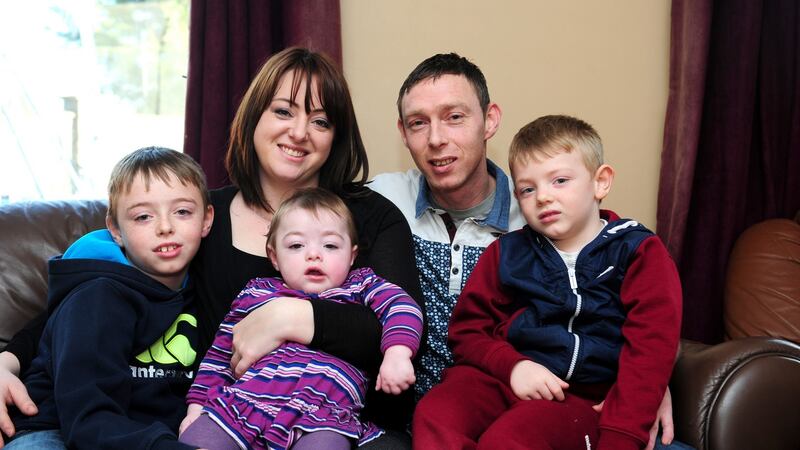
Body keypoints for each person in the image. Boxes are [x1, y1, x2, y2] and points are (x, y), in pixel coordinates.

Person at [0, 47, 423, 449]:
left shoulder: (370, 217)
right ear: (254, 117)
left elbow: (399, 328)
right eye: (283, 111)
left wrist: (291, 316)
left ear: (336, 136)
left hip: (340, 419)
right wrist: (8, 360)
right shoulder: (195, 216)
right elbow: (96, 293)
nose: (298, 132)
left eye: (321, 121)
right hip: (231, 417)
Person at [370, 53, 685, 450]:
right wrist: (514, 366)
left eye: (455, 117)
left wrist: (643, 391)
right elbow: (468, 328)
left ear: (490, 120)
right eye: (419, 122)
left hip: (573, 398)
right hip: (483, 382)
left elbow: (652, 336)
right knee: (436, 415)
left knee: (511, 438)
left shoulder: (624, 247)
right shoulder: (381, 204)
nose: (436, 139)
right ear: (403, 131)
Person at [179, 188, 423, 450]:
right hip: (243, 405)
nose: (314, 254)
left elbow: (403, 306)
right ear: (274, 257)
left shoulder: (362, 286)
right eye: (296, 245)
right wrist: (197, 407)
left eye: (330, 245)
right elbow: (219, 357)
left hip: (324, 417)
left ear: (352, 256)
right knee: (196, 440)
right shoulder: (256, 293)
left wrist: (397, 353)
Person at [3, 147, 214, 449]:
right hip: (55, 430)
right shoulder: (96, 297)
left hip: (144, 438)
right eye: (143, 216)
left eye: (182, 212)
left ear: (206, 219)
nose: (165, 227)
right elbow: (87, 419)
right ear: (115, 229)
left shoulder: (205, 291)